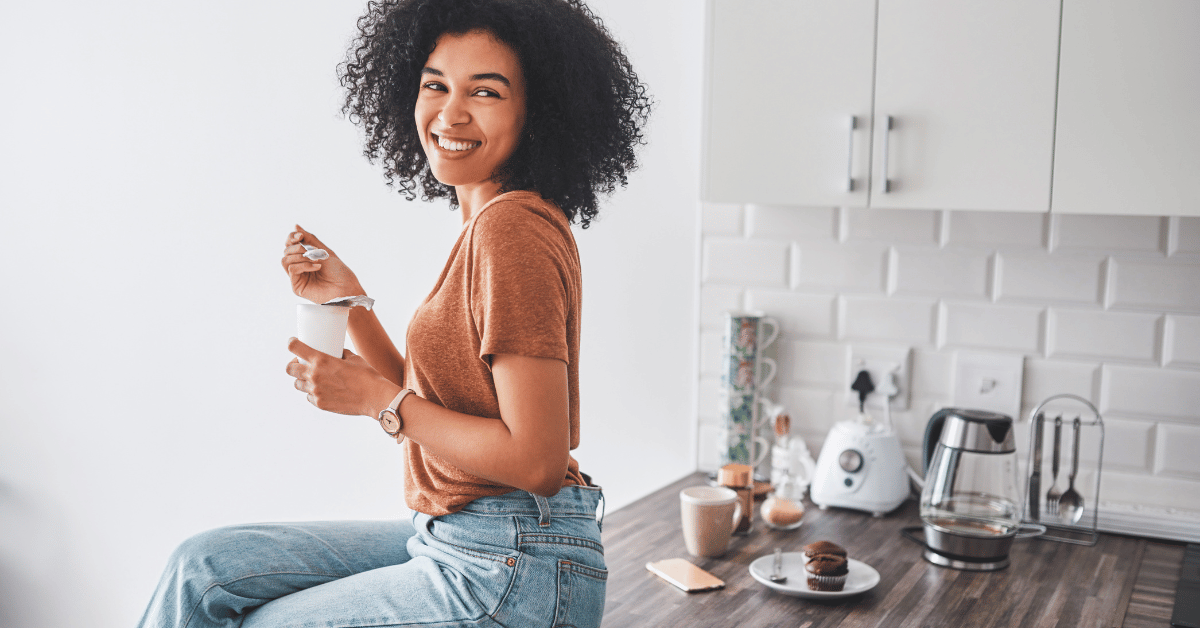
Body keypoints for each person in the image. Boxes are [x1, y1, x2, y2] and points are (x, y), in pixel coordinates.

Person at [136, 0, 650, 626]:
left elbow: (536, 461)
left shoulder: (511, 230)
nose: (450, 113)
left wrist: (378, 401)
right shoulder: (488, 224)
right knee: (202, 568)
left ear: (536, 112)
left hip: (513, 561)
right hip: (466, 534)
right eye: (436, 84)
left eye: (485, 92)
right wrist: (348, 303)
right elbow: (451, 401)